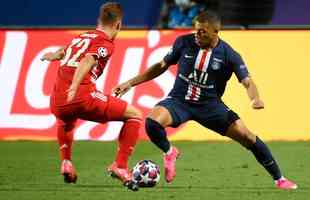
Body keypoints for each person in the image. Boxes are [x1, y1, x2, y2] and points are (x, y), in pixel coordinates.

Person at [113, 11, 297, 190]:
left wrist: (255, 98)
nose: (198, 35)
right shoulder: (183, 43)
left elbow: (247, 82)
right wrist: (130, 83)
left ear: (216, 32)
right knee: (152, 123)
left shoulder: (229, 54)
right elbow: (161, 66)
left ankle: (279, 179)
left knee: (248, 137)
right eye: (196, 30)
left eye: (203, 31)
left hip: (211, 107)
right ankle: (170, 152)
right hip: (179, 101)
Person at [41, 2, 142, 188]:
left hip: (57, 100)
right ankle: (120, 166)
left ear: (99, 20)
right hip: (81, 96)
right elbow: (88, 60)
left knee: (66, 121)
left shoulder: (82, 36)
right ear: (118, 25)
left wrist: (54, 55)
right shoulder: (106, 43)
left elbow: (65, 51)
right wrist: (75, 85)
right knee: (134, 115)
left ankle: (66, 162)